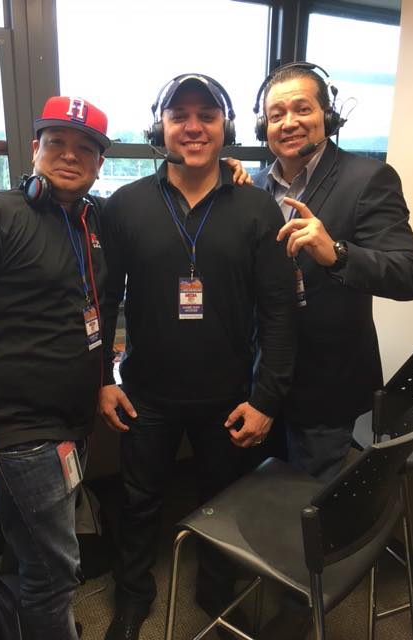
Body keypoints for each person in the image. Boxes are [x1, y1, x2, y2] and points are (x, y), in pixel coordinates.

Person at [99, 73, 296, 640]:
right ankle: (133, 597)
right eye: (179, 115)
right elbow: (103, 300)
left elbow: (279, 312)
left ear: (225, 127)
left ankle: (216, 591)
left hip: (228, 397)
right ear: (159, 127)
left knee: (221, 502)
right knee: (138, 503)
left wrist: (266, 399)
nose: (193, 127)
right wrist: (101, 379)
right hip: (145, 396)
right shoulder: (126, 205)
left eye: (206, 116)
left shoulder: (256, 208)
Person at [254, 61, 413, 638]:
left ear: (328, 115)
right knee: (268, 486)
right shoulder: (255, 187)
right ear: (263, 126)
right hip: (262, 375)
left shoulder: (367, 179)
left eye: (303, 108)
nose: (289, 121)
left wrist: (338, 253)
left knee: (311, 499)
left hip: (326, 379)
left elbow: (409, 271)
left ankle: (303, 603)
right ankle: (268, 566)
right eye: (277, 113)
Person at [0, 95, 111, 640]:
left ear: (100, 162)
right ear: (35, 148)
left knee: (38, 554)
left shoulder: (87, 222)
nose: (70, 155)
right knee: (55, 571)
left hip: (69, 425)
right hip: (20, 435)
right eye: (56, 142)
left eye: (85, 148)